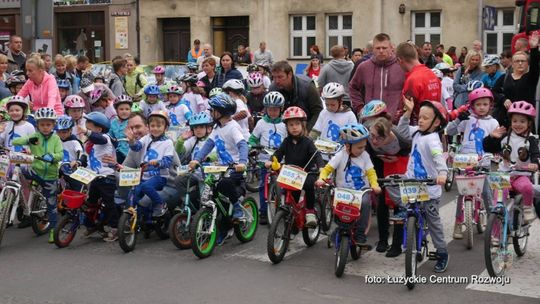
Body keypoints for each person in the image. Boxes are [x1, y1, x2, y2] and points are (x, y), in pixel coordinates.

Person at [396, 98, 450, 273]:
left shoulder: (433, 140)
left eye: (425, 118)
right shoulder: (417, 133)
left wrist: (442, 173)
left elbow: (438, 157)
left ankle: (442, 253)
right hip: (412, 184)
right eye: (419, 116)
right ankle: (413, 239)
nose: (420, 120)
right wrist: (407, 112)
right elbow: (402, 130)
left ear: (436, 123)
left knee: (434, 223)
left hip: (429, 189)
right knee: (407, 212)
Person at [188, 93, 249, 244]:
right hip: (221, 169)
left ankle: (238, 208)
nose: (210, 112)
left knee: (224, 184)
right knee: (210, 192)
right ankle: (221, 226)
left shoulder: (233, 127)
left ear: (220, 111)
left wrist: (242, 162)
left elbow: (242, 145)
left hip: (235, 169)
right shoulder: (217, 128)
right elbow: (208, 146)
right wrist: (196, 159)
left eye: (212, 110)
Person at [315, 123, 381, 245]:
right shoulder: (340, 155)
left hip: (361, 191)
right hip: (343, 192)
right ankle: (340, 229)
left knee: (366, 204)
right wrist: (322, 178)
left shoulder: (365, 156)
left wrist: (374, 185)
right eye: (359, 147)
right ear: (347, 146)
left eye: (364, 147)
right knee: (340, 212)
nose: (362, 150)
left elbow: (371, 172)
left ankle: (360, 232)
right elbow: (327, 169)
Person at [446, 88, 499, 238]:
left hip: (483, 161)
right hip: (465, 160)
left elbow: (496, 142)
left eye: (485, 104)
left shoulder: (493, 122)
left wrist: (497, 152)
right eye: (478, 104)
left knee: (487, 193)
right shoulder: (467, 119)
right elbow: (449, 131)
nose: (482, 107)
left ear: (490, 106)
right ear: (472, 106)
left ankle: (493, 226)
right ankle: (458, 222)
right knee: (463, 193)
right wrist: (458, 119)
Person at [264, 106, 324, 227]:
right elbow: (278, 154)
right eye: (291, 125)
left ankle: (310, 211)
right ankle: (293, 217)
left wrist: (321, 167)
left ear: (303, 125)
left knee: (308, 185)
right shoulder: (286, 142)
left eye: (297, 124)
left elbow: (316, 155)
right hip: (291, 174)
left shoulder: (308, 142)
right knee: (290, 193)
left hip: (307, 173)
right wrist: (271, 161)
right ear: (286, 127)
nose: (294, 127)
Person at [12, 108, 63, 243]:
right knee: (18, 172)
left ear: (53, 125)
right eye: (42, 125)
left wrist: (52, 156)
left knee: (51, 205)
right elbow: (15, 142)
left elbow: (60, 154)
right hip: (35, 171)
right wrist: (28, 139)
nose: (45, 128)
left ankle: (53, 230)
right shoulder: (35, 138)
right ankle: (15, 201)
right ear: (37, 125)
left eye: (48, 125)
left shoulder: (56, 139)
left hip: (50, 176)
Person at [484, 101, 539, 224]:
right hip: (504, 175)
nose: (518, 124)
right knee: (498, 206)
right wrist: (491, 137)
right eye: (515, 121)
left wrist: (535, 164)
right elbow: (488, 148)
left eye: (522, 121)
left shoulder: (531, 139)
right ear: (510, 122)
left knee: (527, 187)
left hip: (521, 175)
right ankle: (496, 234)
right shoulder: (505, 137)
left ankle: (528, 208)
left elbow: (536, 155)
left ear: (529, 123)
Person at [77, 111, 119, 241]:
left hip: (106, 177)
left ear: (99, 129)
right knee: (90, 204)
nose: (86, 126)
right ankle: (91, 225)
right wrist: (78, 162)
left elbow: (98, 138)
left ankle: (115, 228)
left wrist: (86, 132)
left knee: (110, 203)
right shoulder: (88, 143)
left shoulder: (105, 138)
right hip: (93, 177)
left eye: (89, 125)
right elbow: (85, 156)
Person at [248, 91, 287, 224]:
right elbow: (253, 139)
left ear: (281, 109)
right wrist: (253, 147)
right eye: (270, 109)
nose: (272, 112)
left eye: (275, 109)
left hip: (281, 161)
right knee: (262, 186)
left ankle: (285, 209)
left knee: (284, 186)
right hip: (265, 161)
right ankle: (263, 211)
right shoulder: (261, 123)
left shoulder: (285, 124)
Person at [127, 110, 175, 217]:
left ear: (165, 128)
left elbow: (167, 162)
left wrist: (157, 162)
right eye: (152, 126)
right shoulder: (147, 138)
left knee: (146, 187)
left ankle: (161, 204)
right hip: (145, 175)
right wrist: (131, 141)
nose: (155, 128)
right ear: (148, 126)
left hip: (159, 176)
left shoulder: (168, 142)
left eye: (159, 126)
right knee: (135, 192)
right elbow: (137, 147)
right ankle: (140, 217)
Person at [349, 33, 405, 120]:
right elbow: (353, 87)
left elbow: (409, 92)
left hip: (394, 121)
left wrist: (402, 111)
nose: (381, 51)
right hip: (370, 120)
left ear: (391, 48)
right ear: (373, 49)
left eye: (384, 48)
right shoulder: (364, 67)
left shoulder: (401, 66)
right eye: (378, 48)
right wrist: (360, 108)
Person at [493, 32, 540, 129]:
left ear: (527, 64)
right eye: (517, 61)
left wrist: (534, 48)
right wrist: (503, 99)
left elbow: (535, 65)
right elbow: (494, 92)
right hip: (507, 119)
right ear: (512, 64)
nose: (520, 63)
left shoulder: (531, 77)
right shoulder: (505, 77)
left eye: (523, 61)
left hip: (525, 120)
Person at [174, 112, 215, 212]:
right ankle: (188, 205)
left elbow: (217, 153)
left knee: (204, 198)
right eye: (195, 128)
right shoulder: (193, 140)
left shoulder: (212, 139)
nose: (198, 130)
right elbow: (180, 151)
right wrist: (181, 140)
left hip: (208, 175)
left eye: (201, 127)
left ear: (209, 128)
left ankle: (204, 214)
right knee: (179, 180)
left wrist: (208, 157)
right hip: (195, 173)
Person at [394, 42, 441, 125]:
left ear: (399, 60)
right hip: (433, 125)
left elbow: (406, 111)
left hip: (418, 128)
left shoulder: (412, 79)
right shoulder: (432, 74)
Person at [269, 61, 323, 130]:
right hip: (283, 130)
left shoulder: (308, 86)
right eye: (274, 77)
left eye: (280, 77)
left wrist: (308, 131)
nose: (276, 81)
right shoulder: (273, 88)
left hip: (306, 127)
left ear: (290, 75)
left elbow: (318, 111)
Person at [55, 115, 84, 191]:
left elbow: (80, 152)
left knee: (76, 189)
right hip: (60, 167)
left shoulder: (74, 141)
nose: (61, 134)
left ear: (70, 130)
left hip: (72, 169)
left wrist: (77, 161)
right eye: (59, 132)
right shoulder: (56, 140)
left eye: (64, 132)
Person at [109, 95, 133, 164]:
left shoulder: (132, 121)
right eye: (121, 109)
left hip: (130, 151)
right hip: (117, 152)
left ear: (130, 110)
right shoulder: (113, 122)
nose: (124, 111)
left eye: (127, 109)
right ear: (116, 110)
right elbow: (110, 136)